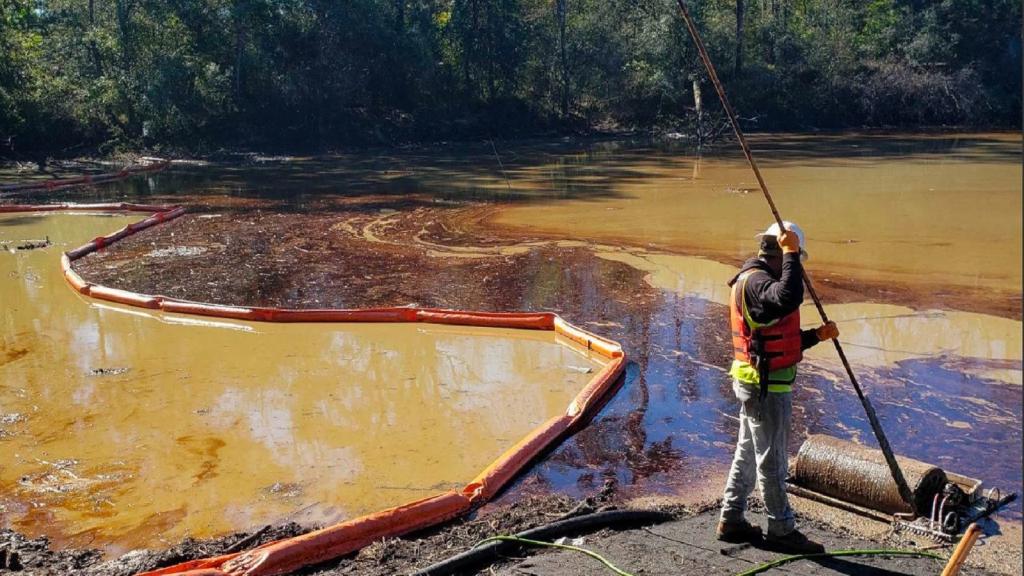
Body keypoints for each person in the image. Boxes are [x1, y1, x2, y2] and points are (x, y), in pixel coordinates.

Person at [716, 221, 839, 553]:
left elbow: (771, 336)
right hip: (765, 387)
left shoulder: (757, 284)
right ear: (779, 253)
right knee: (771, 459)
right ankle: (781, 529)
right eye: (793, 260)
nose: (796, 267)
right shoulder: (757, 283)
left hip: (757, 381)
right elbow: (788, 297)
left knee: (747, 450)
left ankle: (732, 518)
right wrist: (792, 253)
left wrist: (816, 336)